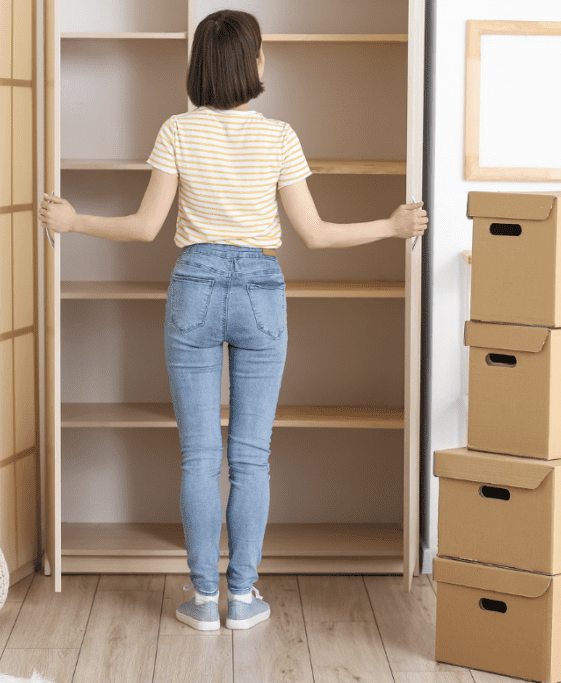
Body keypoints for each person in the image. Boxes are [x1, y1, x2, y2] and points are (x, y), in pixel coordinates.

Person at [37, 9, 428, 632]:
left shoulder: (176, 132)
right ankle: (242, 599)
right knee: (251, 456)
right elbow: (317, 236)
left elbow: (142, 229)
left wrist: (73, 220)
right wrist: (392, 226)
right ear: (254, 65)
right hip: (260, 288)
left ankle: (201, 600)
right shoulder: (280, 136)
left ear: (200, 66)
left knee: (198, 456)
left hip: (194, 285)